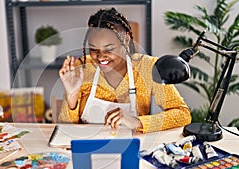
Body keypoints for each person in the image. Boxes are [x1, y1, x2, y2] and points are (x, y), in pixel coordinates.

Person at [58, 8, 191, 133]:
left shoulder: (147, 67)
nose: (100, 57)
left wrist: (137, 122)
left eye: (109, 49)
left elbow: (182, 114)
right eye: (94, 49)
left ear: (126, 39)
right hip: (86, 146)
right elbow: (65, 129)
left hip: (132, 146)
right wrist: (72, 96)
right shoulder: (82, 67)